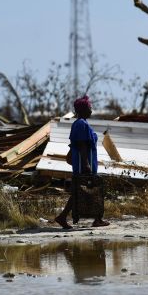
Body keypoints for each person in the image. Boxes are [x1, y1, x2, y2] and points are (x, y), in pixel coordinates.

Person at [54, 95, 110, 229]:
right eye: (89, 107)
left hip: (84, 164)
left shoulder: (81, 123)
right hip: (82, 165)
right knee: (89, 189)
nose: (91, 110)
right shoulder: (81, 124)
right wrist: (86, 164)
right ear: (83, 109)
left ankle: (64, 217)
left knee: (82, 191)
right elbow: (82, 145)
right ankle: (97, 219)